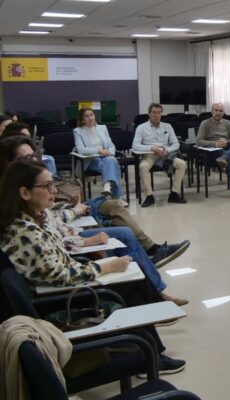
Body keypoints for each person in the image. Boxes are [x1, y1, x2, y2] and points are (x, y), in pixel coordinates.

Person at [0, 160, 186, 374]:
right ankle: (152, 341)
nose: (54, 191)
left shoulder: (36, 217)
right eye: (47, 186)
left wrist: (92, 251)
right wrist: (106, 268)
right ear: (24, 193)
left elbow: (61, 244)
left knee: (133, 277)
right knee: (130, 282)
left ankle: (151, 352)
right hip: (59, 298)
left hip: (62, 285)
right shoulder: (24, 232)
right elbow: (62, 276)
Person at [0, 136, 190, 268]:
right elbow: (53, 232)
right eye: (26, 158)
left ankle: (150, 254)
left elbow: (51, 219)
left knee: (110, 193)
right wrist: (86, 238)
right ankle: (148, 265)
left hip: (67, 216)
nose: (33, 160)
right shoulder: (17, 203)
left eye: (34, 155)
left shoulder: (29, 188)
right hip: (70, 222)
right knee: (114, 222)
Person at [132, 103, 187, 207]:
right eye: (154, 112)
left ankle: (174, 193)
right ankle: (149, 196)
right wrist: (151, 148)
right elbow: (135, 146)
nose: (157, 115)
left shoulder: (168, 126)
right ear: (149, 114)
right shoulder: (141, 128)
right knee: (143, 167)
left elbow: (176, 143)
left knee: (182, 164)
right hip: (149, 154)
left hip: (166, 154)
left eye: (159, 113)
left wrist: (167, 149)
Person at [197, 102, 230, 201]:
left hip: (227, 147)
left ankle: (226, 157)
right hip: (214, 150)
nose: (218, 113)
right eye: (216, 110)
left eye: (221, 111)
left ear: (223, 112)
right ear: (212, 111)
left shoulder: (227, 123)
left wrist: (227, 141)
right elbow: (198, 141)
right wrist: (215, 143)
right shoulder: (205, 123)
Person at [73, 108, 124, 201]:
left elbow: (111, 145)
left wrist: (110, 153)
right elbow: (81, 150)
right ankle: (117, 198)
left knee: (110, 160)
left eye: (92, 115)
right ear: (82, 119)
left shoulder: (102, 128)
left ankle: (107, 185)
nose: (90, 118)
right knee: (113, 165)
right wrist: (99, 150)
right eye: (87, 116)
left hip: (106, 157)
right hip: (90, 159)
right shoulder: (78, 131)